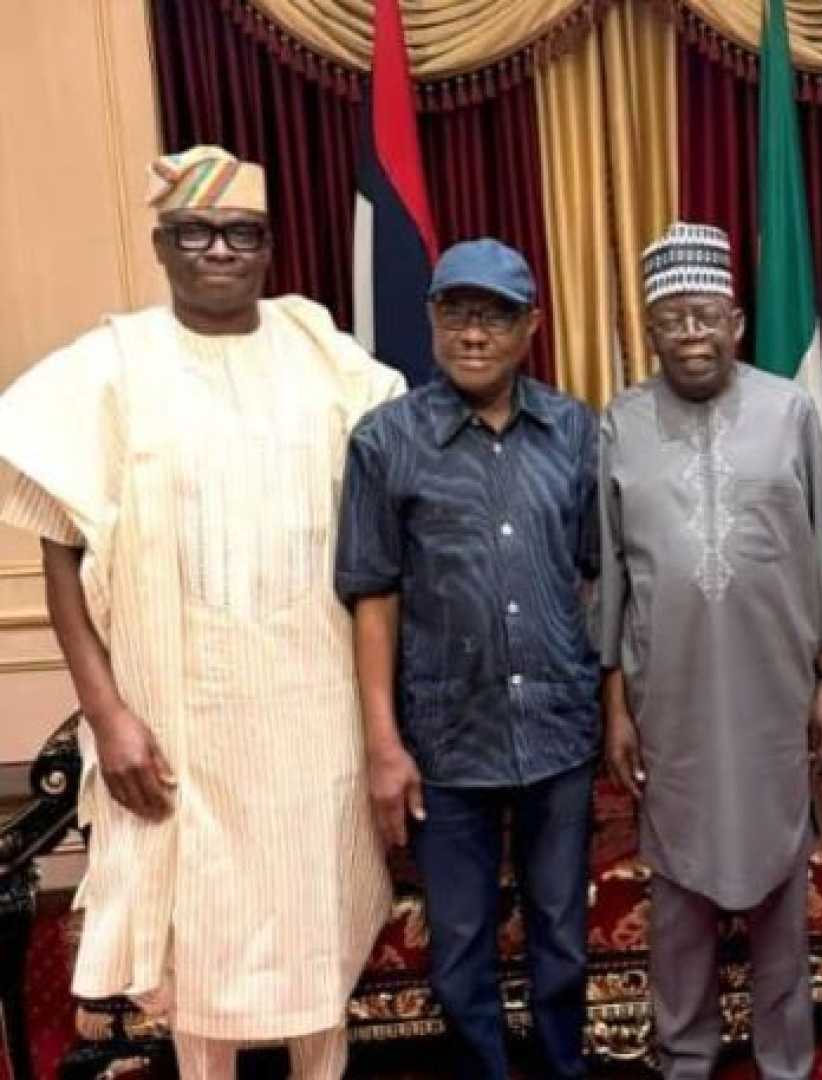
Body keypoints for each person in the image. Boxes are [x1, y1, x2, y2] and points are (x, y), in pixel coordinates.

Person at [0, 146, 401, 1078]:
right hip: (177, 725)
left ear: (268, 247)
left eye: (241, 234)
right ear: (161, 245)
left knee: (315, 933)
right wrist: (106, 714)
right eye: (194, 232)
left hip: (313, 719)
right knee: (203, 950)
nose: (219, 250)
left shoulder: (318, 352)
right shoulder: (111, 366)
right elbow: (62, 556)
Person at [598, 221, 822, 1079]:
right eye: (673, 318)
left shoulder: (788, 411)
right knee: (677, 889)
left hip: (773, 693)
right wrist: (616, 706)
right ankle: (685, 1054)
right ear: (650, 329)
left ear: (738, 322)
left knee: (780, 884)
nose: (692, 333)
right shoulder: (620, 422)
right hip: (668, 698)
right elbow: (610, 572)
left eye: (707, 315)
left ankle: (786, 1058)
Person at [335, 239, 600, 1079]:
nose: (474, 333)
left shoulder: (574, 429)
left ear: (532, 328)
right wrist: (383, 742)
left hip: (559, 731)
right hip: (446, 741)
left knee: (562, 937)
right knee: (459, 950)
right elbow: (372, 596)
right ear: (431, 319)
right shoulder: (385, 441)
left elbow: (597, 574)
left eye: (495, 315)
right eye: (457, 312)